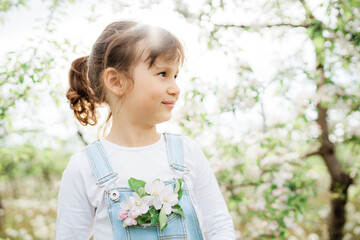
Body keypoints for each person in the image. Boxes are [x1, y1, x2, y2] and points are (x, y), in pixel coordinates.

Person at [56, 20, 236, 240]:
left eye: (175, 76)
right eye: (162, 74)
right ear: (116, 81)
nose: (175, 88)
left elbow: (219, 228)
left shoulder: (188, 153)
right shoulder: (84, 167)